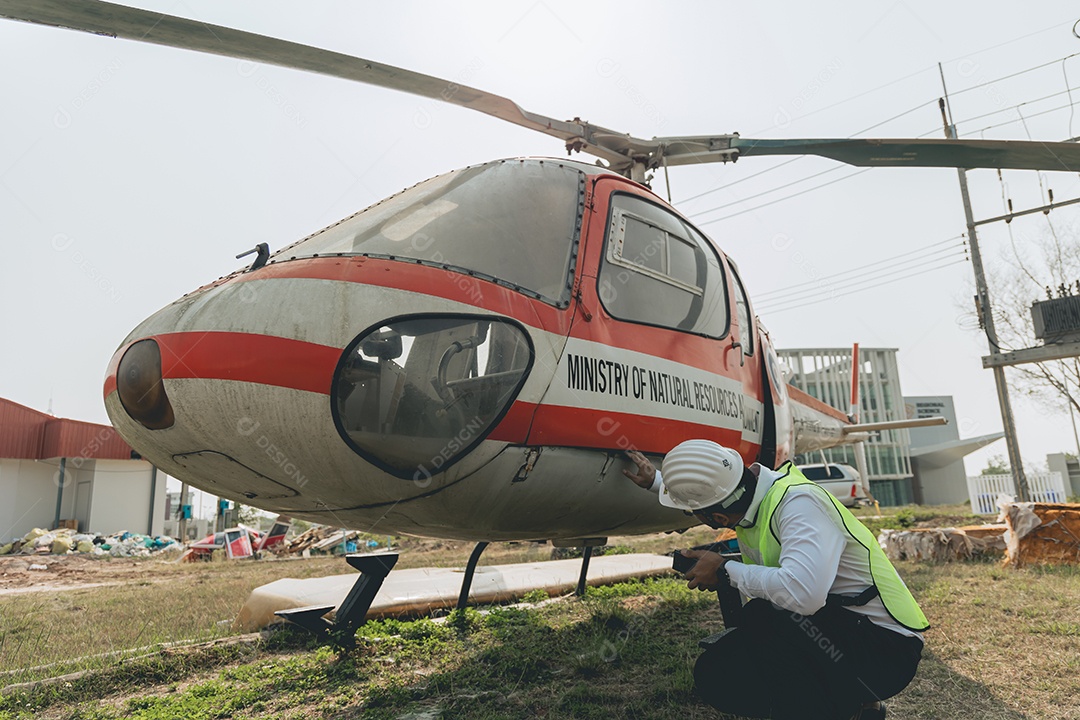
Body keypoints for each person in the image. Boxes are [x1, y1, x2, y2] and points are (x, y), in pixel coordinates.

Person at [623, 441, 927, 720]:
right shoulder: (754, 495)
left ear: (719, 520)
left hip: (885, 654)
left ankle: (835, 708)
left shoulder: (799, 505)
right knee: (721, 670)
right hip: (846, 635)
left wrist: (726, 571)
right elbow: (714, 495)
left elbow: (803, 596)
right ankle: (851, 707)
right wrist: (657, 482)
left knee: (765, 617)